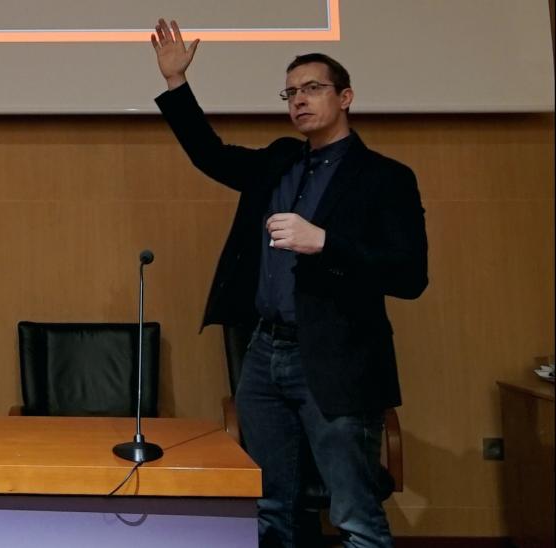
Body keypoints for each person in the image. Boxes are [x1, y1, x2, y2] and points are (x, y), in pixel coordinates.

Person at [149, 19, 428, 548]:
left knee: (356, 518)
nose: (299, 100)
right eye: (291, 91)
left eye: (313, 88)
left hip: (338, 361)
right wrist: (176, 85)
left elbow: (411, 275)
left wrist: (325, 241)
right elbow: (211, 155)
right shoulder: (279, 160)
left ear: (346, 97)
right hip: (263, 355)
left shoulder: (385, 177)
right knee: (271, 507)